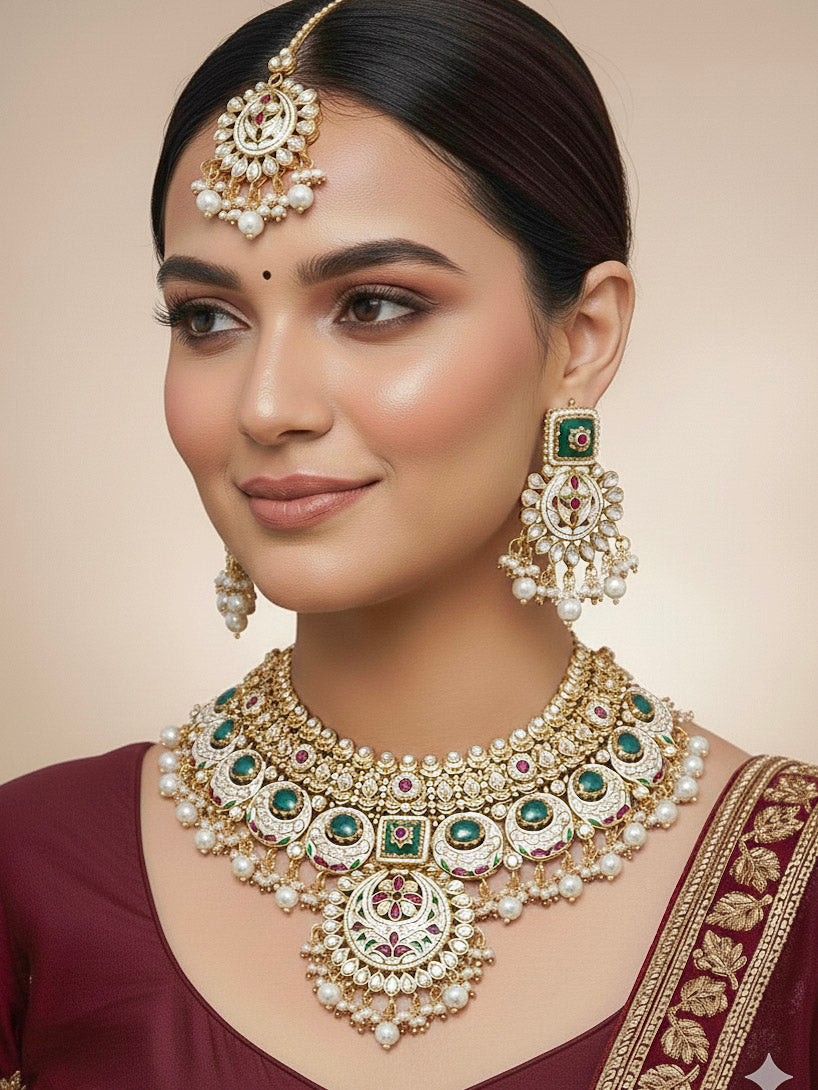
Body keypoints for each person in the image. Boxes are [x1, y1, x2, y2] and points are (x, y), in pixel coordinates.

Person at [1, 0, 816, 1086]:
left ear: (579, 341)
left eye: (373, 304)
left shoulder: (791, 889)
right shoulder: (33, 868)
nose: (268, 404)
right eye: (207, 318)